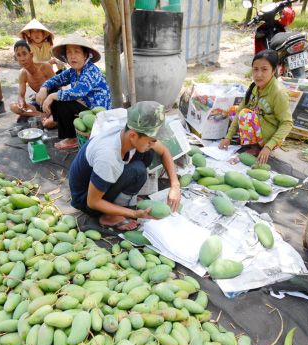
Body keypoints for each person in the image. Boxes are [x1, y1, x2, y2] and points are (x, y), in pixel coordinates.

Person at [69, 101, 181, 231]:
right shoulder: (108, 157)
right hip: (88, 199)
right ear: (132, 135)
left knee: (148, 153)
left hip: (99, 185)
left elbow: (163, 151)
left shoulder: (130, 132)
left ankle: (124, 199)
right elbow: (92, 202)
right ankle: (110, 216)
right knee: (137, 170)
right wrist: (133, 214)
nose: (153, 144)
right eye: (151, 141)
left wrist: (175, 185)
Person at [36, 33, 112, 150]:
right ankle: (57, 120)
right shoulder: (73, 71)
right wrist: (44, 88)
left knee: (61, 100)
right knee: (54, 90)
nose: (72, 56)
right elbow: (55, 80)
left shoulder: (90, 71)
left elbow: (77, 92)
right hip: (84, 107)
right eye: (69, 52)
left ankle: (73, 138)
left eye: (77, 52)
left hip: (97, 115)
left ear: (85, 55)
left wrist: (51, 96)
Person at [219, 50, 293, 165]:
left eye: (264, 69)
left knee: (245, 114)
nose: (258, 74)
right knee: (234, 110)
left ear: (273, 70)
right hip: (260, 127)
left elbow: (287, 123)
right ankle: (254, 144)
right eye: (255, 69)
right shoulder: (254, 87)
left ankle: (255, 149)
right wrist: (228, 137)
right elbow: (239, 110)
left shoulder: (279, 92)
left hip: (271, 138)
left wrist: (268, 147)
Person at [9, 40, 55, 122]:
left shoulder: (45, 66)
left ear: (31, 55)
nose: (22, 59)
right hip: (40, 104)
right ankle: (41, 115)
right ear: (16, 58)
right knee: (13, 106)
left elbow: (58, 88)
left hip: (53, 103)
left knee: (50, 123)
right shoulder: (23, 73)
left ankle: (31, 115)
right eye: (19, 55)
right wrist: (21, 104)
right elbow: (21, 96)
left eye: (24, 54)